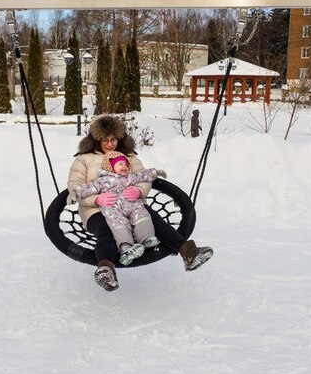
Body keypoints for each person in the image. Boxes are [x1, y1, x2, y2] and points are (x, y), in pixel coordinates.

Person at [67, 114, 214, 292]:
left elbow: (143, 177)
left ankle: (188, 252)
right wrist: (96, 199)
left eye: (113, 139)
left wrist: (139, 190)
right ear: (96, 139)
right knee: (105, 231)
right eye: (104, 139)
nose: (109, 144)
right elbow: (75, 187)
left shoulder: (128, 157)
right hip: (97, 210)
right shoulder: (84, 159)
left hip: (131, 205)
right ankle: (106, 269)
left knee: (153, 219)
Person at [72, 151, 167, 266]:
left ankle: (147, 239)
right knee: (119, 226)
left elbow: (141, 176)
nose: (124, 166)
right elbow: (88, 188)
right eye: (120, 164)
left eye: (126, 165)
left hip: (132, 205)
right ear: (110, 167)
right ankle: (126, 248)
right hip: (113, 209)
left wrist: (156, 172)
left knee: (142, 216)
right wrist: (75, 193)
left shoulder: (129, 178)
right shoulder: (102, 181)